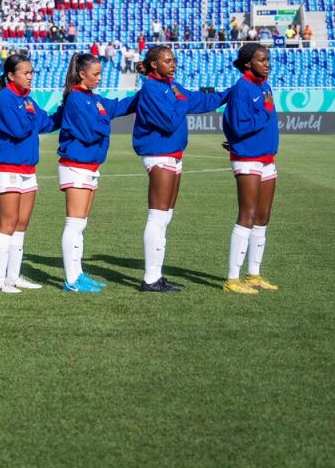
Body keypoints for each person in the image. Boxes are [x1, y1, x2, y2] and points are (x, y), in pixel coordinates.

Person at [132, 46, 227, 292]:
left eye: (173, 60)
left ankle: (157, 275)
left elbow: (201, 101)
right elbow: (169, 121)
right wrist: (182, 100)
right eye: (167, 60)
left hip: (172, 154)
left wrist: (230, 93)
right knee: (157, 215)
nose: (173, 64)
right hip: (159, 154)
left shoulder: (173, 86)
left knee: (165, 216)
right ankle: (150, 279)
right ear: (154, 64)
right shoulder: (151, 89)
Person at [57, 52, 137, 293]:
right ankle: (71, 280)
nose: (100, 78)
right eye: (96, 74)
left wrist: (145, 92)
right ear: (82, 74)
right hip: (76, 166)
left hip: (90, 166)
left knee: (81, 224)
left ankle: (78, 274)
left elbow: (119, 107)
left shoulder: (94, 98)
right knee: (74, 223)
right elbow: (91, 131)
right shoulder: (76, 99)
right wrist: (105, 121)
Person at [0, 53, 60, 293]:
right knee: (7, 223)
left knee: (21, 224)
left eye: (31, 72)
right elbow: (19, 129)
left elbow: (46, 123)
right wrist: (32, 115)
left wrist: (64, 110)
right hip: (7, 167)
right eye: (25, 73)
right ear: (11, 75)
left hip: (28, 168)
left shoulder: (27, 98)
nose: (30, 77)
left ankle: (13, 277)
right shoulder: (5, 98)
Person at [221, 44, 279, 295]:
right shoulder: (241, 89)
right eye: (261, 60)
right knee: (248, 215)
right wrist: (265, 112)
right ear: (248, 64)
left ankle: (253, 274)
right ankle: (232, 280)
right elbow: (239, 125)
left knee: (263, 216)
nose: (267, 64)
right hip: (248, 159)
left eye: (267, 59)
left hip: (267, 158)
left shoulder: (265, 86)